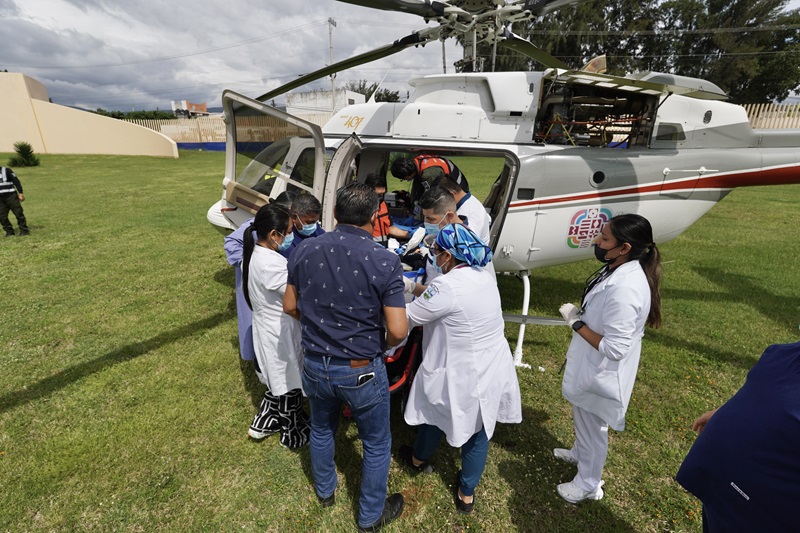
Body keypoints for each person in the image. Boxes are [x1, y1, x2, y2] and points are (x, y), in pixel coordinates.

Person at [283, 182, 408, 532]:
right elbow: (398, 331)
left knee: (322, 428)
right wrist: (378, 344)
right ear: (374, 216)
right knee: (377, 443)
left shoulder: (303, 250)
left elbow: (290, 305)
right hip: (361, 368)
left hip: (315, 363)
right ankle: (370, 516)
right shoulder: (385, 260)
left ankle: (325, 491)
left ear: (335, 213)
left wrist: (319, 327)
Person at [399, 224, 522, 514]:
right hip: (492, 365)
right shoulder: (483, 276)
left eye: (437, 250)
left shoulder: (447, 286)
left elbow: (408, 318)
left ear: (448, 256)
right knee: (479, 429)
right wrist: (413, 287)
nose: (433, 254)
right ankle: (466, 493)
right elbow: (440, 299)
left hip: (460, 370)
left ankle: (418, 459)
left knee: (435, 412)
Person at [555, 213, 662, 503]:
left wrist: (576, 323)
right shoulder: (617, 268)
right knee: (584, 417)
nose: (597, 242)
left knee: (594, 427)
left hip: (602, 372)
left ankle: (588, 483)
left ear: (624, 247)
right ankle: (580, 453)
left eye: (604, 239)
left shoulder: (626, 289)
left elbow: (616, 348)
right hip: (590, 364)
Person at [676, 342, 800, 532]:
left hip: (763, 511)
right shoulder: (791, 354)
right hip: (723, 491)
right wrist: (726, 411)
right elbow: (767, 387)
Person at [241, 202, 309, 448]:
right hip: (279, 333)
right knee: (288, 383)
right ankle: (292, 433)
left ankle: (264, 423)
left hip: (270, 328)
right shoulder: (271, 264)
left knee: (280, 379)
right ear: (273, 234)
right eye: (288, 232)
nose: (291, 236)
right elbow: (295, 298)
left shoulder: (255, 255)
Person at [223, 191, 297, 362]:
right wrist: (249, 264)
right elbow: (232, 243)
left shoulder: (280, 233)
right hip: (261, 282)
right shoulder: (257, 226)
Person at [390, 155, 469, 220]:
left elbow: (432, 198)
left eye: (404, 178)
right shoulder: (418, 162)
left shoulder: (429, 174)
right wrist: (413, 211)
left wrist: (421, 218)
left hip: (459, 193)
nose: (406, 180)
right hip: (453, 187)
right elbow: (417, 192)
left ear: (408, 174)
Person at [432, 176, 490, 244]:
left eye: (438, 200)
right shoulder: (469, 201)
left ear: (451, 195)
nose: (437, 204)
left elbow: (466, 245)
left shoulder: (469, 216)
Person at [364, 173, 409, 246]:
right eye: (378, 194)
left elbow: (390, 228)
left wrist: (408, 234)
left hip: (383, 246)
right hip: (369, 246)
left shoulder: (383, 205)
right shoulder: (361, 208)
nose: (381, 198)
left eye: (383, 194)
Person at [279, 192, 325, 258]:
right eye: (309, 222)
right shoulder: (287, 240)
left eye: (316, 221)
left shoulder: (316, 229)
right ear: (294, 217)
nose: (314, 226)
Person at [0, 166, 29, 237]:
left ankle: (24, 230)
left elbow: (16, 181)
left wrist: (20, 193)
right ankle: (9, 232)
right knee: (2, 216)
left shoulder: (7, 170)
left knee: (18, 213)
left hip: (11, 196)